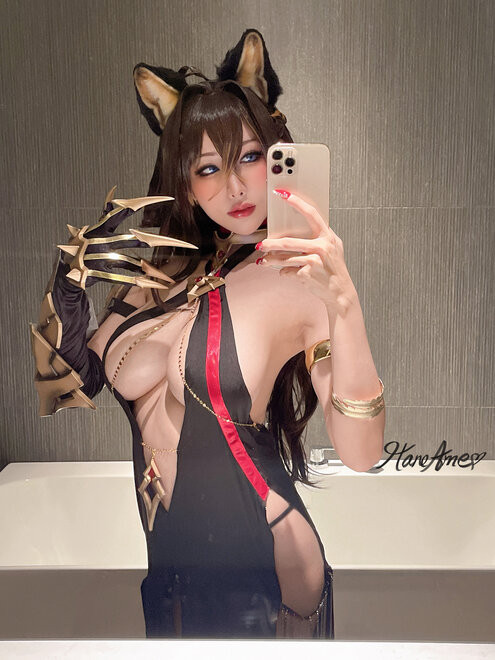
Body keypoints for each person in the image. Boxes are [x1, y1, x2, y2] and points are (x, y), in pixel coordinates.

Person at [30, 29, 385, 639]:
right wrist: (66, 287)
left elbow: (362, 453)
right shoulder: (161, 275)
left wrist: (345, 306)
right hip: (172, 565)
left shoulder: (296, 279)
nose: (235, 187)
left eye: (249, 157)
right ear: (187, 184)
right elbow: (73, 384)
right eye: (209, 168)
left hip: (266, 566)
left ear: (276, 155)